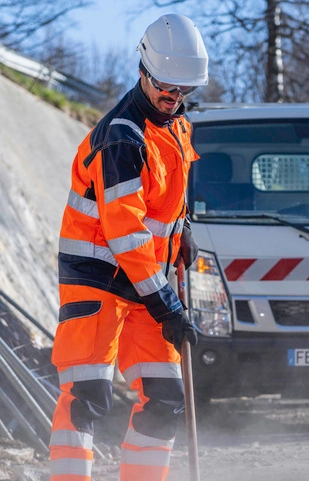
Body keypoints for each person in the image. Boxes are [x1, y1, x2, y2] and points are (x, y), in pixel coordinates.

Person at [49, 14, 208, 481]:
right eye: (166, 87)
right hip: (98, 280)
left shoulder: (177, 128)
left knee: (166, 397)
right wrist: (168, 306)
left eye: (184, 91)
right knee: (87, 396)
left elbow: (165, 202)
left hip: (147, 283)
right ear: (144, 70)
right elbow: (126, 232)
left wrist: (183, 231)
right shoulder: (122, 135)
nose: (174, 98)